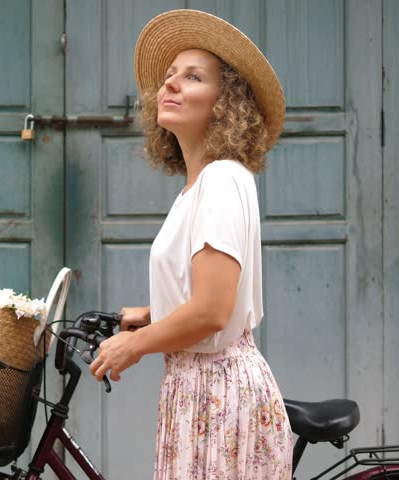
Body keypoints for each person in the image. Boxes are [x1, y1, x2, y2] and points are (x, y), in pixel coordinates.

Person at [87, 9, 292, 480]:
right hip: (197, 390)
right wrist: (153, 314)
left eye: (193, 77)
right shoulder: (196, 188)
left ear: (227, 103)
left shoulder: (221, 179)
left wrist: (132, 347)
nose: (170, 85)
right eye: (168, 76)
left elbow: (212, 313)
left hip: (218, 394)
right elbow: (203, 299)